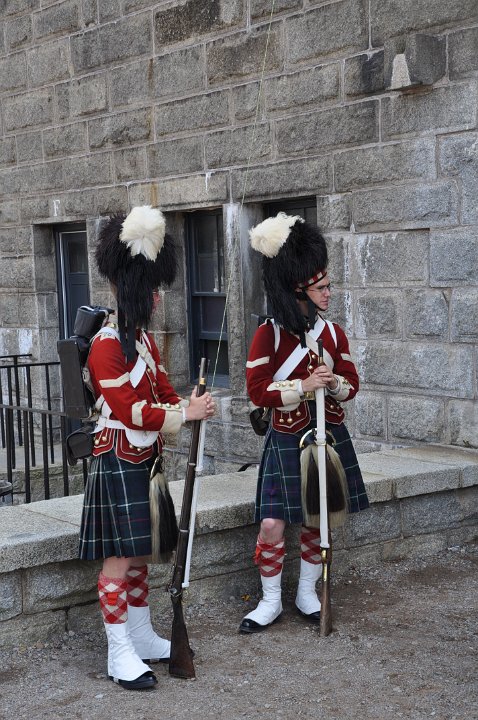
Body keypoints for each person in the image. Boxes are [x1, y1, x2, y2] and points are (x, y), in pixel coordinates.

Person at [78, 205, 215, 689]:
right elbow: (131, 409)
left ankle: (139, 634)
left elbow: (161, 394)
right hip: (117, 455)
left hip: (145, 458)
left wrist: (189, 403)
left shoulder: (145, 343)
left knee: (138, 554)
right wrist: (183, 415)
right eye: (152, 289)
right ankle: (118, 652)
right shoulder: (105, 346)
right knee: (119, 557)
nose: (157, 298)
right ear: (132, 288)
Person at [240, 212, 369, 634]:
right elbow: (257, 390)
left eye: (328, 285)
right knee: (271, 524)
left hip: (327, 434)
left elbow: (352, 385)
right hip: (286, 435)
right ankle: (270, 601)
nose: (329, 293)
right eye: (321, 288)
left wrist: (332, 384)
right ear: (299, 290)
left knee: (319, 518)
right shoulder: (269, 334)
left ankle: (307, 593)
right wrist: (301, 385)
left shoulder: (333, 334)